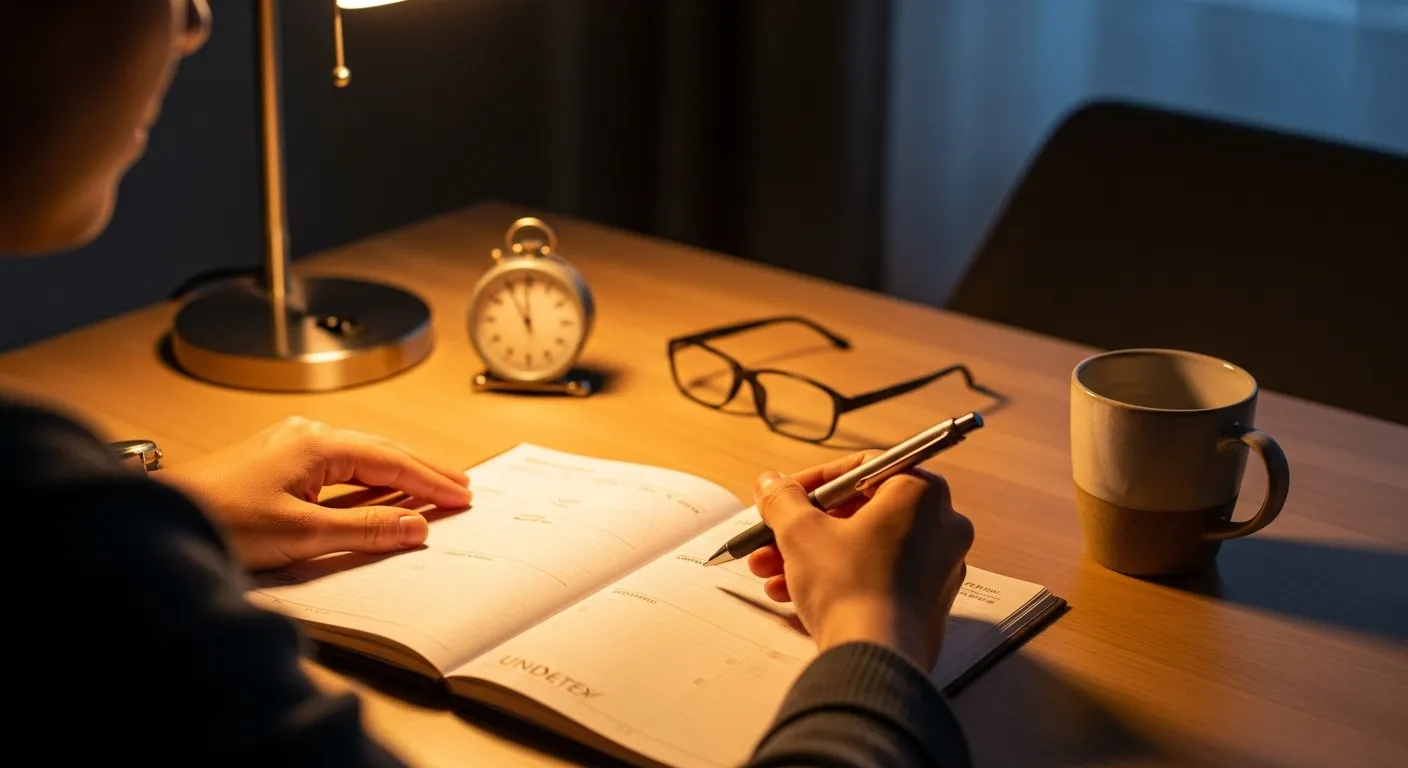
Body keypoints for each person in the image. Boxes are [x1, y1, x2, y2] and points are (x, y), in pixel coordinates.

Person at [0, 2, 975, 766]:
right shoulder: (63, 537)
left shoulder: (66, 519)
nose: (196, 21)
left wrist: (169, 513)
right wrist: (873, 641)